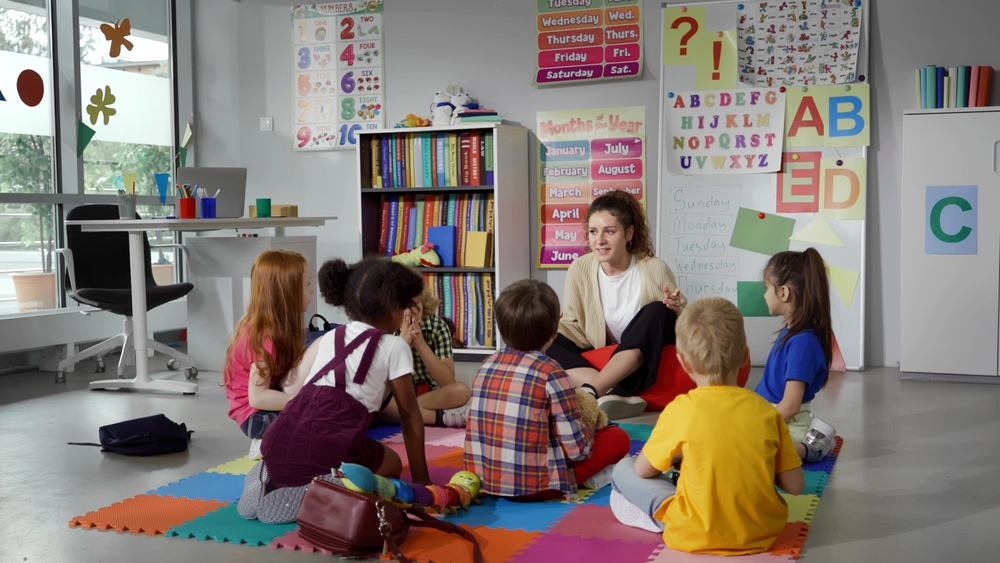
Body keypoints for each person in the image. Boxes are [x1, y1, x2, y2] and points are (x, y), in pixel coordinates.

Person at [237, 257, 432, 523]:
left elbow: (300, 387)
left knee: (303, 452)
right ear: (391, 310)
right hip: (332, 446)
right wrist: (422, 480)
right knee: (393, 465)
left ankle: (271, 477)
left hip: (279, 439)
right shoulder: (394, 346)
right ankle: (326, 486)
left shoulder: (331, 336)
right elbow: (410, 415)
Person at [609, 298, 805, 555]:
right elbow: (796, 486)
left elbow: (644, 470)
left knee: (623, 468)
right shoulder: (768, 413)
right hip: (762, 533)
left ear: (684, 362)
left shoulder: (680, 409)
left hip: (691, 533)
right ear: (746, 356)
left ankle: (652, 516)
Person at [465, 279, 631, 501]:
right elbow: (577, 450)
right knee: (618, 436)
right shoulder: (551, 372)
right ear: (554, 333)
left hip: (486, 481)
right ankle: (593, 477)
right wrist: (591, 429)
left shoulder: (486, 365)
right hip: (540, 486)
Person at [547, 190, 687, 420]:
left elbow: (684, 326)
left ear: (628, 233)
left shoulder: (654, 268)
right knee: (546, 338)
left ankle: (592, 390)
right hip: (598, 351)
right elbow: (571, 323)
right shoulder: (580, 268)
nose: (599, 241)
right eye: (593, 232)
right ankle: (612, 391)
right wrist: (548, 336)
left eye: (609, 232)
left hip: (642, 360)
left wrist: (677, 310)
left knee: (658, 310)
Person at [222, 249, 318, 459]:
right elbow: (257, 398)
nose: (312, 290)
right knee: (324, 425)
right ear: (288, 292)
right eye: (307, 284)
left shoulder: (269, 325)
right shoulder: (268, 336)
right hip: (257, 419)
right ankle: (267, 440)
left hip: (257, 413)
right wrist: (304, 401)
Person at [756, 248, 838, 461]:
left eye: (767, 288)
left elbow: (790, 405)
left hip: (786, 423)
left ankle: (812, 447)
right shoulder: (793, 333)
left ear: (783, 293)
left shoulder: (803, 342)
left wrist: (757, 425)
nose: (764, 294)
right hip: (769, 414)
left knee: (754, 452)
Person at [380, 276, 471, 428]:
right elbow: (381, 380)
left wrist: (421, 344)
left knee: (461, 390)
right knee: (379, 403)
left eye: (415, 305)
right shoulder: (387, 328)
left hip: (431, 393)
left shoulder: (437, 326)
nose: (410, 312)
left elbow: (447, 381)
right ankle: (439, 418)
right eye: (404, 306)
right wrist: (401, 344)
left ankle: (399, 414)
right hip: (398, 394)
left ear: (424, 304)